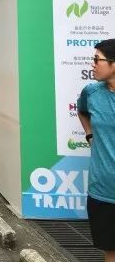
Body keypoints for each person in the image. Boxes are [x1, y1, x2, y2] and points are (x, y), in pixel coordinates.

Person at [77, 39, 115, 262]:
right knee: (111, 250)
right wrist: (90, 134)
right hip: (103, 190)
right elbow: (82, 111)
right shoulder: (91, 92)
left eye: (97, 59)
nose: (92, 64)